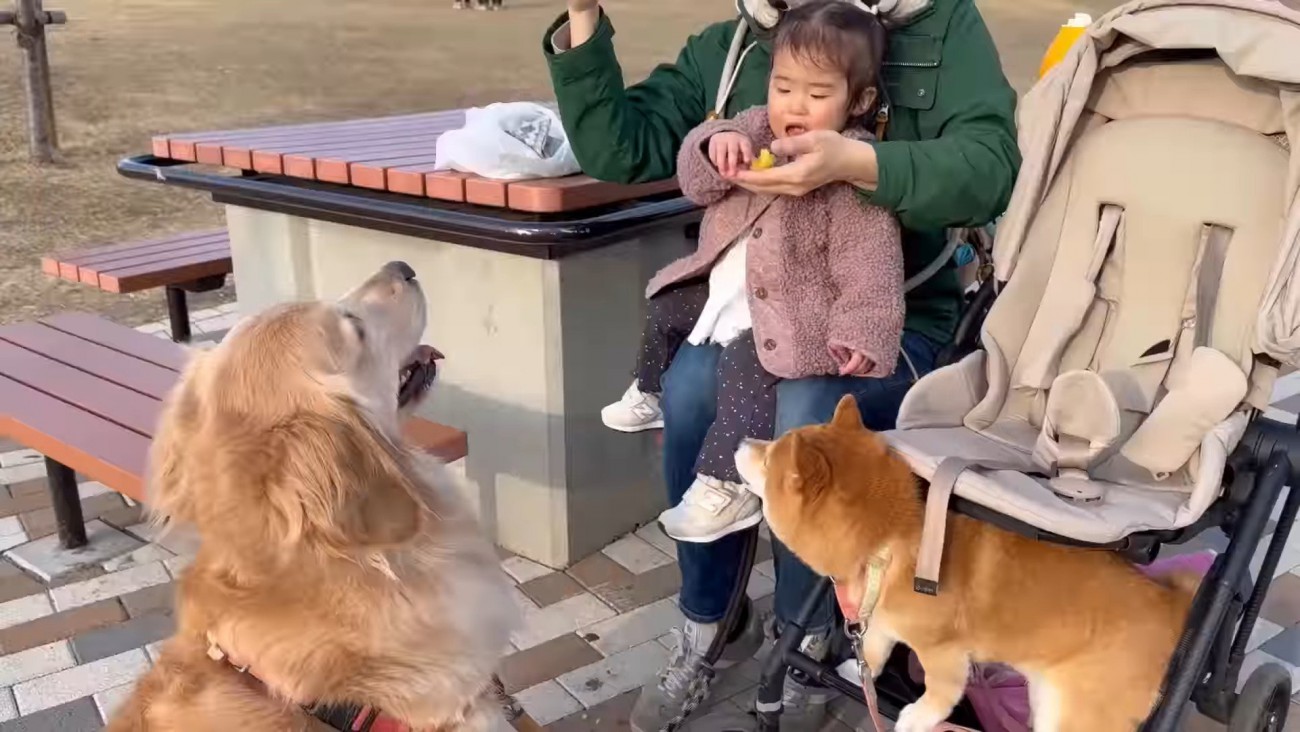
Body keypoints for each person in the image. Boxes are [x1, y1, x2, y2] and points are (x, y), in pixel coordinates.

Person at [543, 0, 1019, 727]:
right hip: (762, 320)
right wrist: (582, 15)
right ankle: (709, 624)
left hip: (892, 322)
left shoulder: (942, 24)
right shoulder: (738, 39)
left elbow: (992, 168)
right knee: (692, 380)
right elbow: (624, 149)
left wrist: (860, 162)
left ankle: (808, 639)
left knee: (806, 413)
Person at [601, 0, 905, 546]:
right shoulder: (755, 127)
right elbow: (698, 180)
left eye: (816, 95)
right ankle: (648, 390)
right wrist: (713, 143)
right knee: (666, 306)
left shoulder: (854, 169)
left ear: (858, 101)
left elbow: (871, 263)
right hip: (726, 288)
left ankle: (725, 486)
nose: (795, 105)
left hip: (791, 310)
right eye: (784, 87)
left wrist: (863, 330)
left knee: (748, 371)